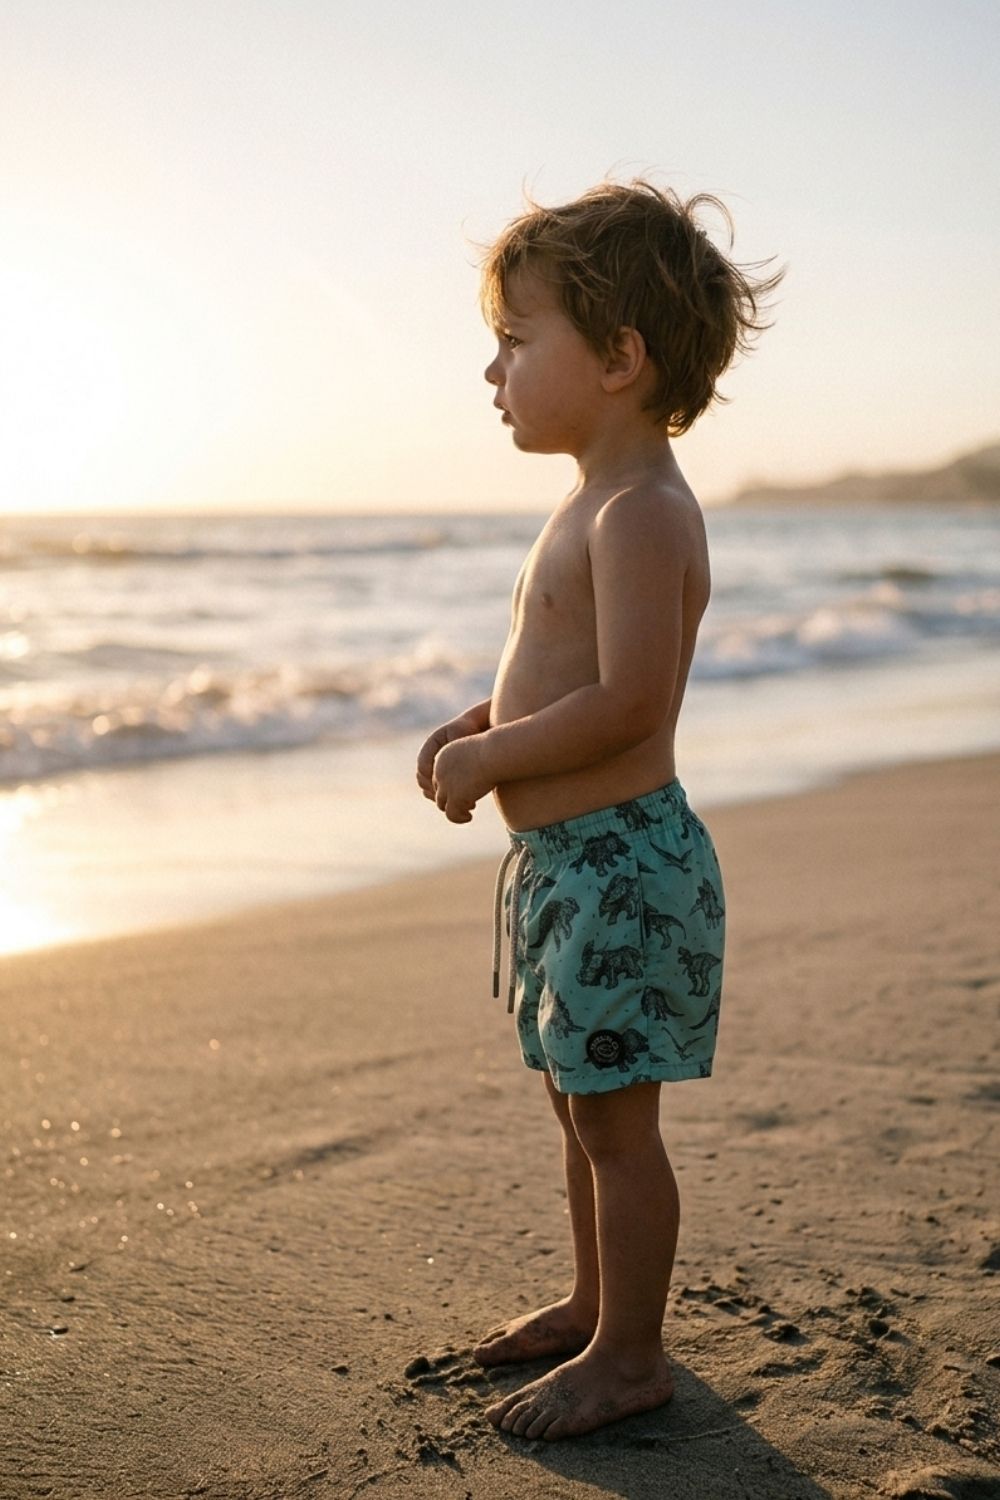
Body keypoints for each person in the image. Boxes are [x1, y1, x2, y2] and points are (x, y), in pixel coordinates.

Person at [416, 178, 782, 1441]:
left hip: (623, 868)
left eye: (518, 342)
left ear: (619, 358)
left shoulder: (641, 512)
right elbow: (558, 669)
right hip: (567, 863)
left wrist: (494, 755)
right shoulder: (583, 503)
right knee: (581, 1106)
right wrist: (483, 724)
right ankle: (591, 1303)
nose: (493, 370)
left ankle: (632, 1355)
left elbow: (630, 700)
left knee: (619, 1130)